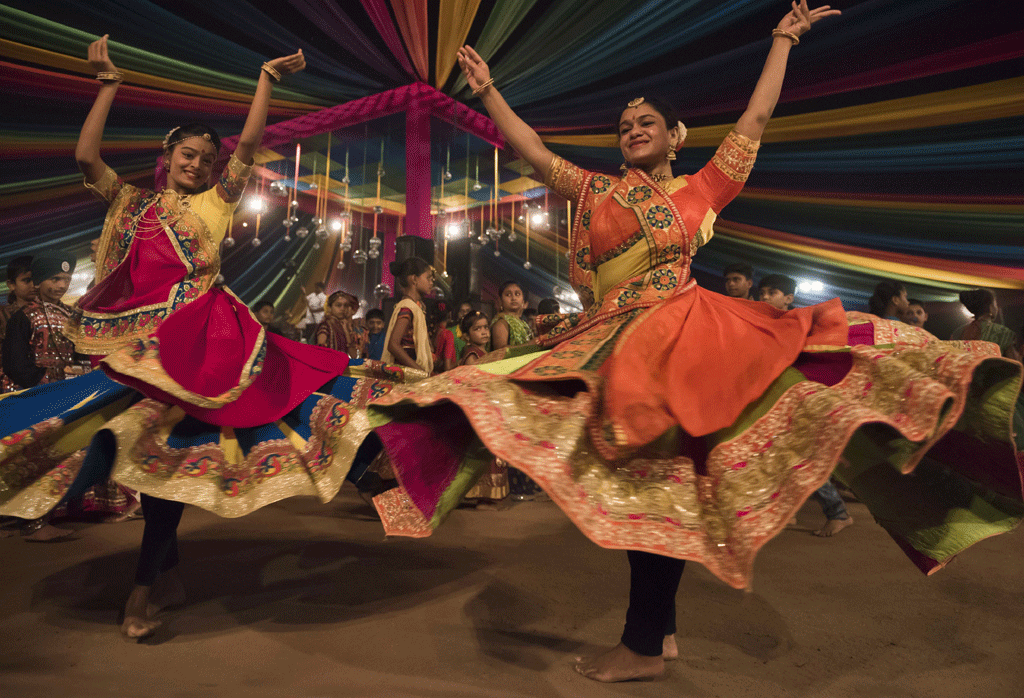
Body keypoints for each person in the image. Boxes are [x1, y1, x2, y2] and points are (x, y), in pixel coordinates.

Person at [362, 4, 1016, 683]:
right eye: (624, 126)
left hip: (682, 341)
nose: (633, 130)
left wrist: (781, 41)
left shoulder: (703, 190)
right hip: (613, 340)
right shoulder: (596, 190)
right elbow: (533, 151)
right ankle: (658, 636)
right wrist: (490, 91)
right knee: (630, 477)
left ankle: (644, 644)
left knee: (655, 488)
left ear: (676, 136)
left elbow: (755, 119)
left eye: (647, 122)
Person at [0, 36, 383, 641]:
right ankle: (163, 577)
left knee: (168, 461)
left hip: (207, 352)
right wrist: (108, 85)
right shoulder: (132, 205)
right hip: (142, 353)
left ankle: (143, 592)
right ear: (168, 154)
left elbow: (249, 146)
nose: (198, 164)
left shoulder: (217, 203)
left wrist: (265, 79)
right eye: (189, 154)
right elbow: (84, 157)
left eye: (207, 158)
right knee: (148, 466)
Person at [758, 272, 853, 537]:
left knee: (800, 460)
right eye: (762, 292)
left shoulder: (799, 322)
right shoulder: (765, 322)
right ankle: (788, 513)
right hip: (773, 399)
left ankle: (837, 513)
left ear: (789, 298)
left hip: (797, 399)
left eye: (772, 292)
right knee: (777, 457)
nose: (765, 297)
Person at [381, 257, 434, 374]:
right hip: (406, 376)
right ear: (414, 279)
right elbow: (393, 345)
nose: (431, 282)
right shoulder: (408, 307)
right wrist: (420, 372)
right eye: (428, 278)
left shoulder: (414, 307)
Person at [952, 289, 1021, 361]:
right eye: (995, 304)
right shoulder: (1003, 332)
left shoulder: (958, 332)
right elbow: (1015, 363)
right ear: (991, 307)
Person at [0, 255, 35, 393]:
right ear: (11, 284)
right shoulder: (3, 315)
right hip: (11, 389)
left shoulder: (52, 312)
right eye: (26, 280)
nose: (33, 285)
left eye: (37, 279)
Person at [490, 281, 533, 350]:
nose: (513, 298)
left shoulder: (523, 323)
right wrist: (530, 345)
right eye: (508, 295)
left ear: (524, 302)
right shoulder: (501, 323)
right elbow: (501, 351)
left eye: (517, 294)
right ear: (500, 301)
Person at [429, 301, 458, 373]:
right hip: (445, 377)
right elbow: (447, 367)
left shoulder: (431, 332)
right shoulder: (448, 334)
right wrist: (461, 361)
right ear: (449, 315)